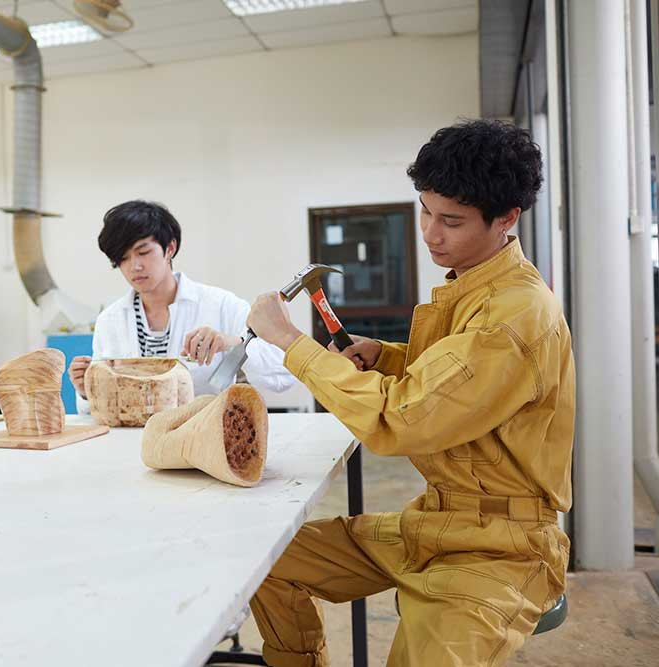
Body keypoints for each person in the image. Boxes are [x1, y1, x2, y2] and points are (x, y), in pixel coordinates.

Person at [243, 119, 574, 666]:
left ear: (507, 218)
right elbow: (456, 378)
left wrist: (290, 342)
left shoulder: (514, 313)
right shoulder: (473, 286)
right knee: (266, 565)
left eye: (451, 221)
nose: (430, 233)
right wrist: (388, 355)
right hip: (436, 520)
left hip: (501, 549)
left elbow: (399, 420)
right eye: (425, 211)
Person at [69, 200, 294, 410]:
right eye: (123, 258)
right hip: (134, 435)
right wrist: (86, 390)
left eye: (143, 252)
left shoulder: (221, 305)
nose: (134, 266)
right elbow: (96, 410)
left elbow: (282, 375)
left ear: (170, 248)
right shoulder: (110, 320)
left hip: (205, 432)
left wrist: (232, 343)